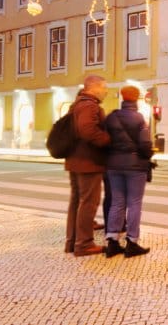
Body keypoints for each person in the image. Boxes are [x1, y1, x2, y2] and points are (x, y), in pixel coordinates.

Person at [103, 85, 153, 258]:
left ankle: (112, 241)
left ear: (122, 97)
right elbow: (146, 145)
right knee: (134, 203)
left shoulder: (111, 117)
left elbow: (104, 139)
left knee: (117, 202)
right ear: (137, 99)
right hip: (135, 166)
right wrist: (148, 156)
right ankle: (132, 242)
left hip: (113, 165)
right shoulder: (140, 119)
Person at [64, 75, 111, 256]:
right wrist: (108, 140)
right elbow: (87, 130)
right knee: (88, 203)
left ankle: (72, 242)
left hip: (75, 160)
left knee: (76, 202)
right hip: (88, 162)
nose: (106, 91)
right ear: (94, 88)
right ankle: (84, 244)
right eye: (104, 87)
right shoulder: (89, 105)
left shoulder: (76, 104)